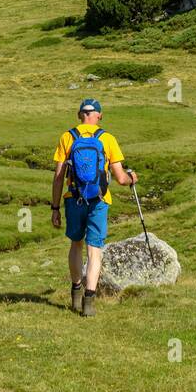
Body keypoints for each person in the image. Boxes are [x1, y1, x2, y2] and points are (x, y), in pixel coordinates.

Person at [51, 98, 137, 316]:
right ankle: (89, 302)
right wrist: (131, 178)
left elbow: (59, 177)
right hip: (99, 200)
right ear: (98, 115)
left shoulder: (67, 137)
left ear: (80, 115)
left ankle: (76, 291)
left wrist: (55, 208)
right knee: (94, 249)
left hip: (74, 198)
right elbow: (119, 178)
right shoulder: (107, 139)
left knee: (76, 245)